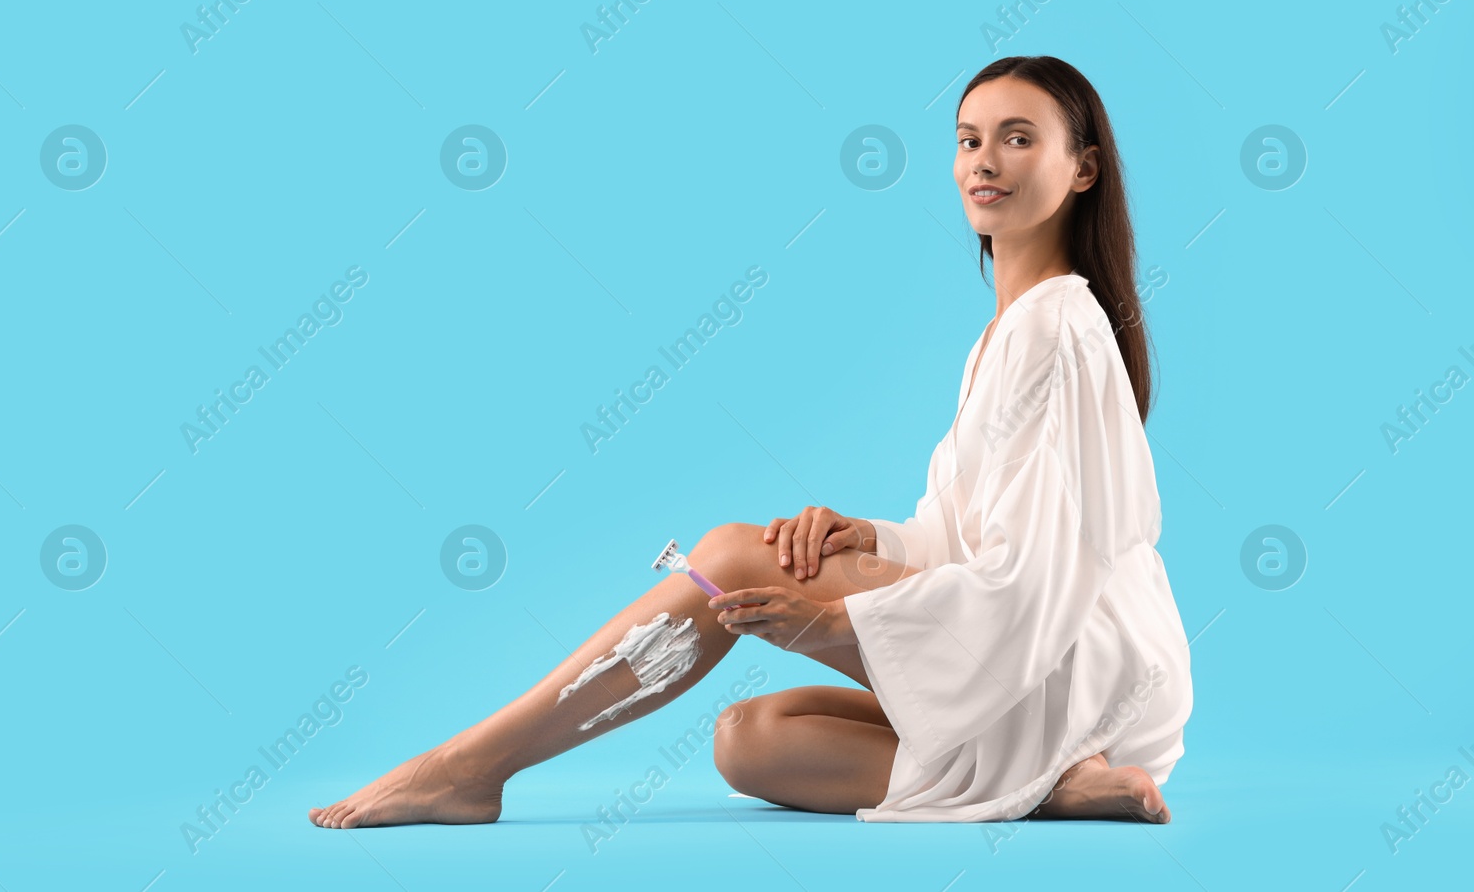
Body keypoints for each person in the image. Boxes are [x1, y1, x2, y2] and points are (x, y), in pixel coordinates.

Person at [308, 55, 1191, 829]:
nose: (984, 162)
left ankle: (468, 768)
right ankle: (1046, 784)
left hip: (1074, 663)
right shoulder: (1008, 331)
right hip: (1033, 654)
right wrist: (871, 539)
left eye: (1017, 139)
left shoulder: (1056, 327)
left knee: (731, 553)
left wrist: (839, 619)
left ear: (1083, 169)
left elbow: (1040, 578)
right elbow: (976, 534)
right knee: (748, 741)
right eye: (967, 140)